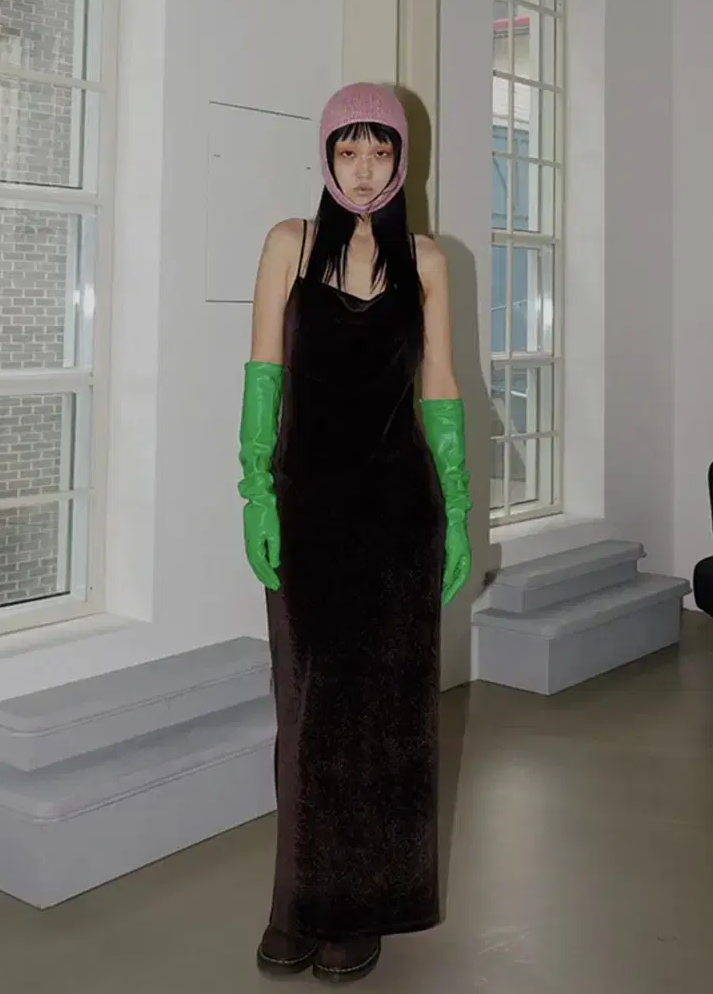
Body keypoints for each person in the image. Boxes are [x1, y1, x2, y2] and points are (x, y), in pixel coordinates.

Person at [237, 82, 472, 984]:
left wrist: (456, 508)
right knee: (307, 711)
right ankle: (295, 904)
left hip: (400, 513)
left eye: (380, 152)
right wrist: (255, 489)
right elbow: (263, 371)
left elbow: (439, 387)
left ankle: (358, 910)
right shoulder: (288, 244)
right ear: (327, 157)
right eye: (349, 151)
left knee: (386, 719)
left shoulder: (427, 260)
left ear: (401, 159)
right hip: (307, 509)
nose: (365, 169)